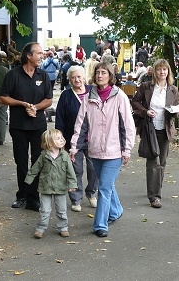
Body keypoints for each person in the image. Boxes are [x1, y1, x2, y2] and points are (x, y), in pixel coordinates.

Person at [69, 62, 136, 238]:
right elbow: (80, 124)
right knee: (108, 185)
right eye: (97, 72)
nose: (100, 75)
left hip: (114, 151)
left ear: (110, 75)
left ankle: (100, 224)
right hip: (95, 150)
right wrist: (74, 146)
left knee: (104, 188)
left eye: (103, 72)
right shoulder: (88, 97)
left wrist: (127, 148)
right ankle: (116, 211)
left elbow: (128, 125)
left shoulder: (119, 96)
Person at [0, 42, 53, 211]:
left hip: (38, 126)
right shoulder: (12, 75)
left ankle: (33, 198)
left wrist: (35, 107)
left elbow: (49, 99)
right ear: (28, 56)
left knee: (37, 162)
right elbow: (2, 98)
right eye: (39, 53)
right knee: (21, 162)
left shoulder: (43, 75)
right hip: (19, 126)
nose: (42, 56)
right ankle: (21, 195)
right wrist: (22, 104)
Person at [131, 59, 179, 209]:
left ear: (168, 72)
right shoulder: (146, 87)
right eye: (159, 69)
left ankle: (155, 188)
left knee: (162, 162)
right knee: (153, 161)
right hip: (150, 128)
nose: (162, 72)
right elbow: (135, 102)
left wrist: (173, 112)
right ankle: (154, 196)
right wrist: (146, 112)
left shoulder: (173, 90)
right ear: (155, 71)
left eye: (165, 69)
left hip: (164, 129)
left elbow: (175, 109)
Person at [55, 66, 99, 212]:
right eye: (73, 77)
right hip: (73, 140)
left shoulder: (93, 91)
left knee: (95, 169)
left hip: (93, 139)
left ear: (84, 77)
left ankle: (91, 193)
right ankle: (76, 199)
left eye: (79, 77)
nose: (77, 80)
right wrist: (60, 140)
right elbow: (60, 119)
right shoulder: (66, 96)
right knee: (75, 170)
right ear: (69, 79)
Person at [25, 129, 77, 239]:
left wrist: (72, 184)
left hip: (60, 187)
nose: (62, 140)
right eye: (58, 138)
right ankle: (40, 228)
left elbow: (70, 171)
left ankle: (63, 227)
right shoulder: (44, 156)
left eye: (62, 138)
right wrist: (28, 180)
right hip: (45, 187)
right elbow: (35, 168)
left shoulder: (65, 156)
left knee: (61, 210)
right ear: (49, 142)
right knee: (44, 210)